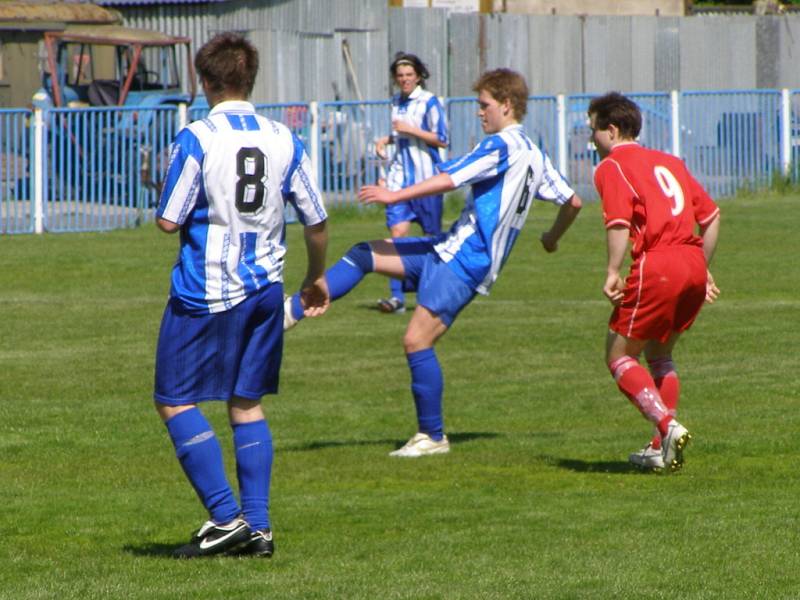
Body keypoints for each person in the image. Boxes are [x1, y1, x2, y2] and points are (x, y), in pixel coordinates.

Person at [285, 68, 582, 457]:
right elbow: (573, 202)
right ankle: (288, 313)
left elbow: (449, 179)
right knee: (364, 253)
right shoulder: (535, 154)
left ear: (506, 105)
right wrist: (551, 238)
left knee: (416, 340)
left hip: (464, 260)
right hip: (447, 247)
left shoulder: (501, 145)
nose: (479, 113)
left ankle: (432, 436)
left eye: (484, 105)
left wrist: (395, 197)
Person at [153, 32, 329, 558]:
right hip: (265, 290)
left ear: (205, 81)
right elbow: (316, 219)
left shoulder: (197, 137)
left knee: (174, 399)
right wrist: (315, 276)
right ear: (250, 80)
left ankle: (227, 517)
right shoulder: (283, 136)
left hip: (206, 290)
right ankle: (259, 526)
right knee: (246, 402)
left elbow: (168, 221)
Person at [587, 92, 721, 473]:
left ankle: (667, 427)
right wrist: (702, 267)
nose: (592, 140)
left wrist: (613, 271)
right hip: (691, 263)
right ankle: (661, 449)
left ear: (611, 131)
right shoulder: (670, 161)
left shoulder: (612, 167)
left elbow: (618, 223)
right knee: (660, 354)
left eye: (593, 130)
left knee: (618, 355)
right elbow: (711, 217)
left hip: (657, 265)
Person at [372, 52, 449, 314]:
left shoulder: (429, 102)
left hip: (427, 182)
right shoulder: (395, 102)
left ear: (418, 76)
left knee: (433, 240)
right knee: (397, 236)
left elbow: (441, 138)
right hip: (398, 184)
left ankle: (431, 293)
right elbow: (401, 136)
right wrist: (386, 140)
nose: (404, 79)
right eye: (400, 75)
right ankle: (397, 300)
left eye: (409, 75)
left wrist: (410, 130)